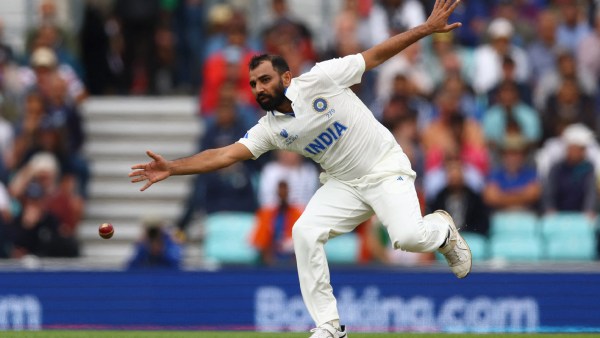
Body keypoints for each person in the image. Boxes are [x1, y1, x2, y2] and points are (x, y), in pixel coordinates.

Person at [130, 2, 470, 337]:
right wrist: (173, 167)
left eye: (265, 79)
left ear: (287, 77)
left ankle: (442, 229)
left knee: (408, 238)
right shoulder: (270, 128)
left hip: (384, 167)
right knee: (304, 232)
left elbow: (375, 56)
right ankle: (329, 326)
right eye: (254, 84)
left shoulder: (320, 79)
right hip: (344, 184)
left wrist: (425, 29)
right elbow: (224, 155)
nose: (259, 88)